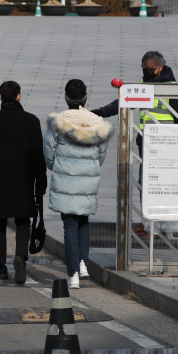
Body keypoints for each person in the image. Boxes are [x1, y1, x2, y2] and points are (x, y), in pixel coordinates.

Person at [91, 51, 178, 235]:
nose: (146, 71)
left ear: (160, 67)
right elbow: (122, 102)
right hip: (147, 145)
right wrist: (100, 112)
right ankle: (150, 225)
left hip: (166, 145)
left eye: (150, 68)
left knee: (164, 184)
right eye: (144, 68)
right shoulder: (145, 86)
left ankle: (163, 225)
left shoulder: (172, 87)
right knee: (146, 183)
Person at [44, 80, 114, 289]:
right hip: (88, 178)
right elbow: (101, 156)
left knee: (70, 224)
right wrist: (90, 168)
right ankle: (83, 263)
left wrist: (57, 167)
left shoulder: (58, 121)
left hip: (65, 178)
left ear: (66, 98)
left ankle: (73, 273)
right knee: (83, 221)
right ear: (85, 98)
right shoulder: (98, 122)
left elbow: (49, 152)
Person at [0, 81, 47, 284]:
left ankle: (0, 267)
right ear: (18, 96)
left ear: (1, 98)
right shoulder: (32, 121)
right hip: (25, 178)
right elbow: (38, 156)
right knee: (23, 220)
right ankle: (20, 258)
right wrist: (40, 184)